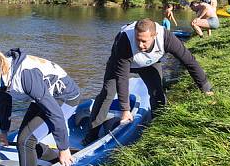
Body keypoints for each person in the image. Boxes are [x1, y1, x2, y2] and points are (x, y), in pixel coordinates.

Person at [83, 18, 213, 144]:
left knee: (158, 93)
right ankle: (91, 136)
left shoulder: (167, 39)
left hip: (150, 63)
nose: (140, 45)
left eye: (144, 41)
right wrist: (125, 110)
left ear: (154, 35)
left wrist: (205, 88)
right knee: (107, 93)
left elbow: (189, 61)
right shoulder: (125, 40)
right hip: (121, 63)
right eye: (138, 40)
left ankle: (157, 129)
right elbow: (122, 77)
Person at [0, 48, 80, 166]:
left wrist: (63, 148)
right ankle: (55, 159)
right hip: (43, 96)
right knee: (25, 139)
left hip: (65, 98)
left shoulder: (25, 76)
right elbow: (4, 103)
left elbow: (55, 114)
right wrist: (4, 131)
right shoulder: (2, 74)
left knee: (25, 141)